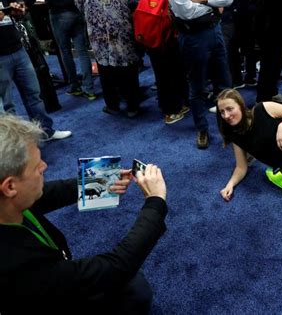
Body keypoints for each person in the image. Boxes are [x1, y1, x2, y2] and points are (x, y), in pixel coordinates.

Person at [0, 114, 168, 313]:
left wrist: (103, 181)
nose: (45, 166)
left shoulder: (10, 204)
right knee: (135, 290)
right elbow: (115, 268)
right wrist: (155, 202)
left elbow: (50, 194)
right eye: (37, 167)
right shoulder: (17, 266)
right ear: (10, 186)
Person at [0, 0, 71, 141]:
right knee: (6, 104)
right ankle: (14, 145)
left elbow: (16, 13)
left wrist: (18, 11)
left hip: (18, 49)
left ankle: (45, 132)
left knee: (33, 94)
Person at [169, 0, 233, 149]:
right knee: (197, 86)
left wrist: (202, 0)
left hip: (215, 29)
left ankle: (230, 127)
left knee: (225, 83)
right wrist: (213, 5)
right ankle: (202, 129)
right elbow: (187, 11)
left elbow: (227, 0)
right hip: (193, 35)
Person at [75, 0, 141, 118]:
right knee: (127, 65)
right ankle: (132, 106)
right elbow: (134, 3)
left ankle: (113, 105)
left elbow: (79, 5)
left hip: (97, 29)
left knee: (105, 67)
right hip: (120, 27)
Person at [45, 0, 96, 100]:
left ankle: (75, 86)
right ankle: (89, 90)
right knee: (82, 52)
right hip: (75, 12)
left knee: (65, 51)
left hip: (58, 14)